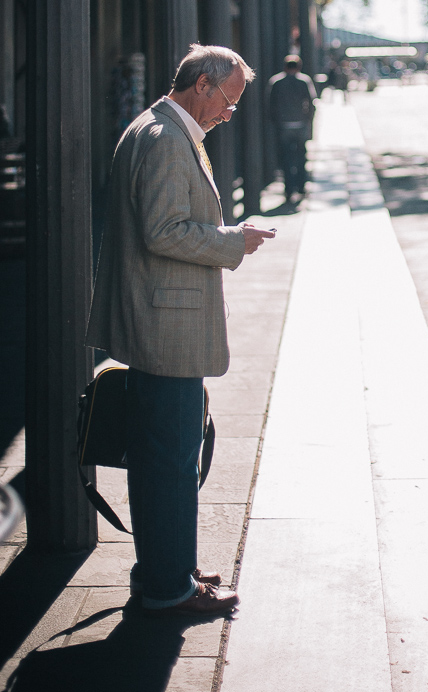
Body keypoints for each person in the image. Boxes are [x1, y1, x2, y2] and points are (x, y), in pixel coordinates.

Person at [86, 44, 275, 617]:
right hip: (165, 325)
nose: (228, 113)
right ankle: (171, 588)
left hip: (155, 320)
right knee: (170, 461)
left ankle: (165, 568)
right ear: (202, 84)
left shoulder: (153, 128)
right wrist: (231, 242)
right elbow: (165, 231)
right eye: (228, 100)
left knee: (159, 458)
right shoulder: (167, 139)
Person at [267, 55, 317, 201]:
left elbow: (271, 104)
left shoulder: (276, 82)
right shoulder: (304, 81)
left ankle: (289, 189)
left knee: (286, 158)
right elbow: (311, 103)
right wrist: (308, 120)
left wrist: (276, 121)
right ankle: (301, 187)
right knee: (301, 157)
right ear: (299, 66)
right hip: (300, 124)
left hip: (284, 125)